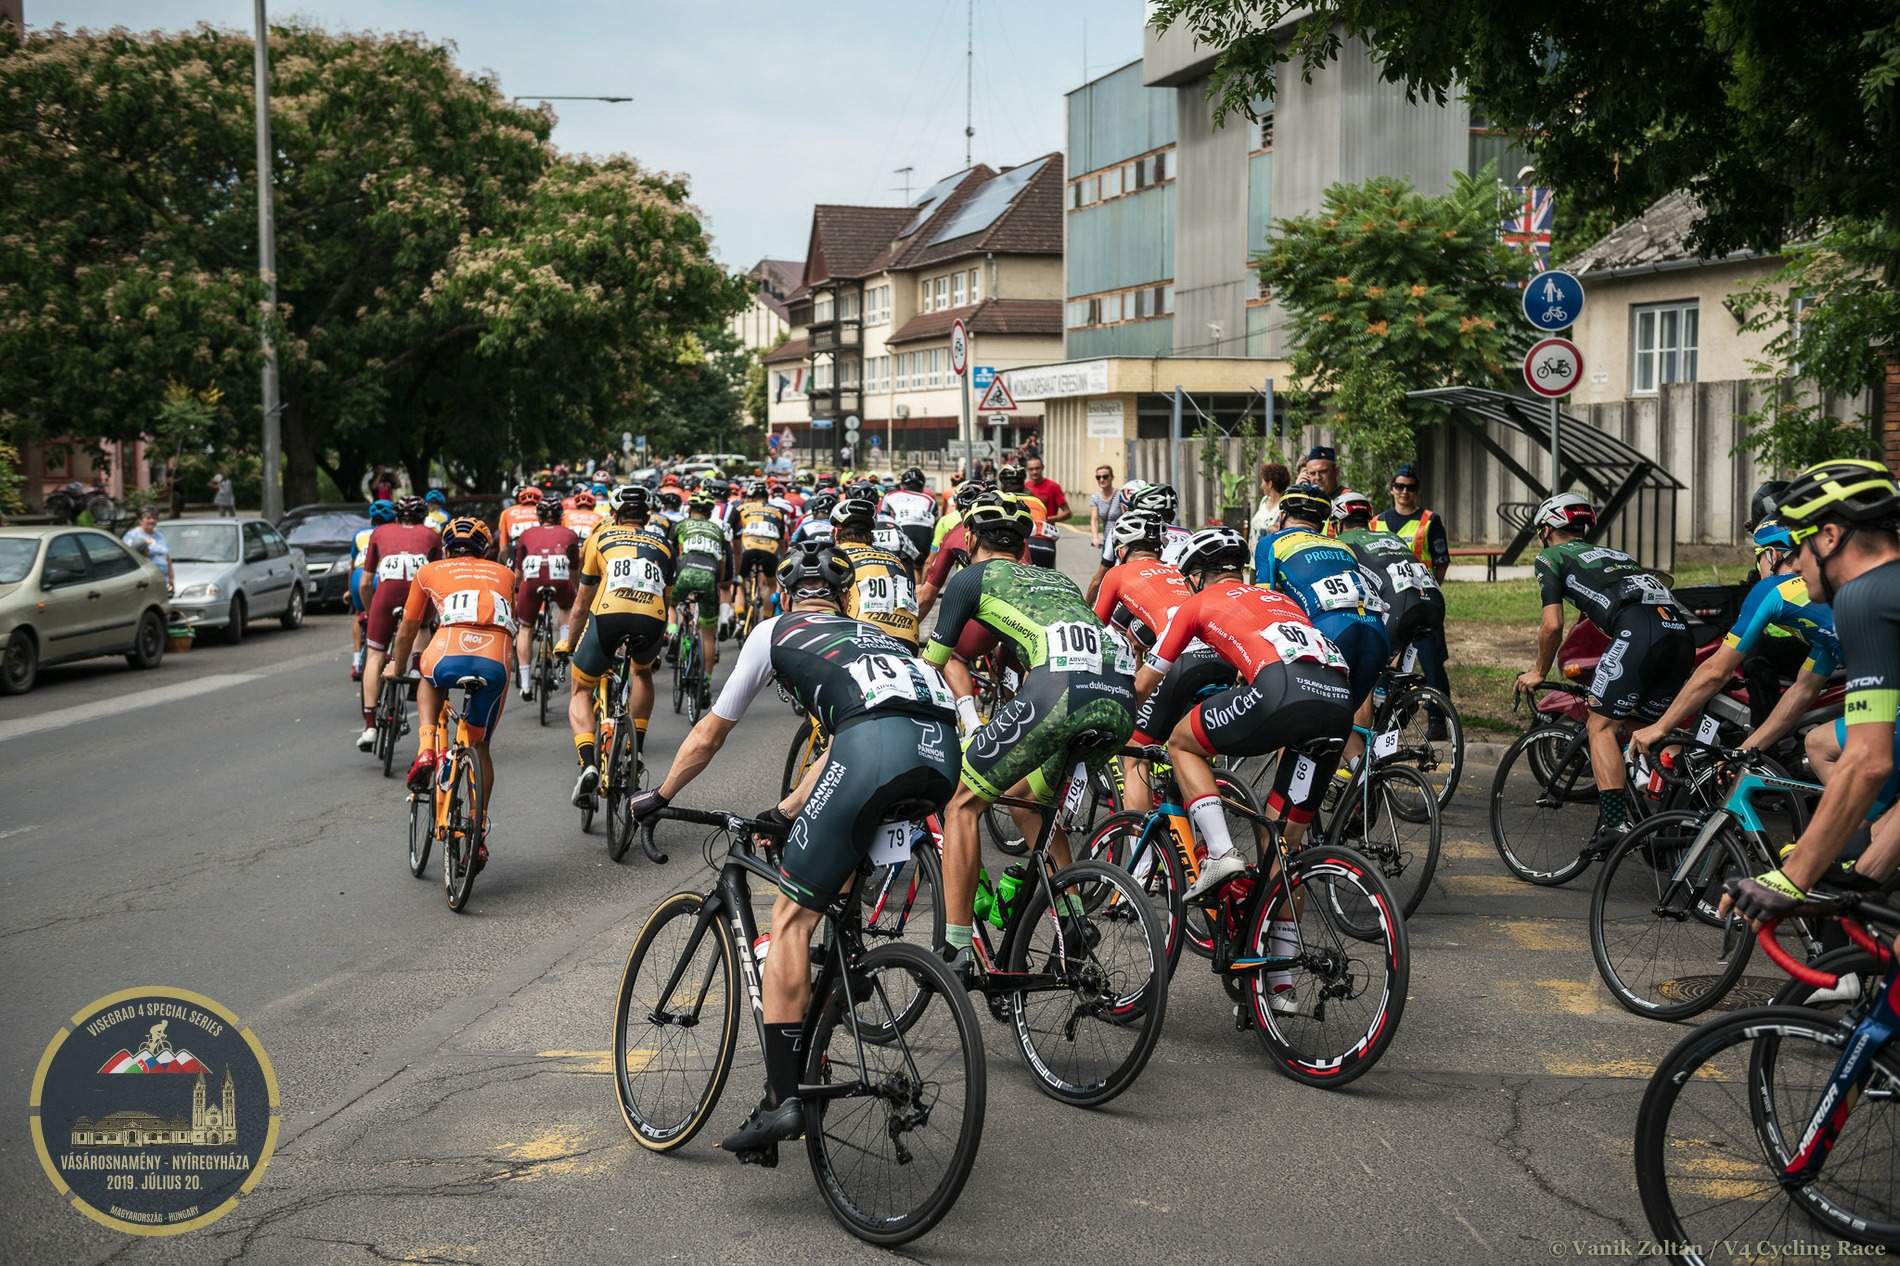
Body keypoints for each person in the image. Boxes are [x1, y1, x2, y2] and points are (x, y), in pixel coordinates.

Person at [627, 542, 957, 1153]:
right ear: (845, 598)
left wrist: (661, 794)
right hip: (939, 758)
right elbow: (843, 743)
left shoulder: (774, 630)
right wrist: (784, 811)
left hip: (872, 752)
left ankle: (782, 1102)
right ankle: (836, 994)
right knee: (833, 900)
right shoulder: (877, 638)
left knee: (789, 920)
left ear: (786, 595)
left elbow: (711, 732)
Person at [1131, 528, 1353, 1014]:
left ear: (1194, 576)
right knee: (1282, 850)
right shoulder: (1276, 599)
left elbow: (1147, 681)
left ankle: (1221, 853)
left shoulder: (1195, 603)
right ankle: (1279, 983)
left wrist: (1117, 717)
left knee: (1182, 742)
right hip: (1338, 702)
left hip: (1282, 692)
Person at [922, 494, 1137, 979]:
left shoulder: (970, 578)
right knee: (1026, 803)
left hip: (1061, 692)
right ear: (1022, 546)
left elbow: (933, 666)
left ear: (969, 539)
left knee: (961, 802)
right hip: (1119, 697)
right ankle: (1073, 920)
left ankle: (955, 948)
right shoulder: (1057, 581)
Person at [1727, 459, 1900, 927]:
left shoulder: (1865, 598)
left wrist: (1792, 878)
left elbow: (1867, 760)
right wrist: (1852, 876)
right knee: (1863, 892)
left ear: (1829, 537)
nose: (1796, 563)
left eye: (1799, 544)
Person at [1514, 492, 1694, 852]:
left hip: (1641, 635)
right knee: (1650, 726)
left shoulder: (1551, 557)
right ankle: (1687, 805)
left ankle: (1615, 824)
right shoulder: (1617, 555)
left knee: (1600, 726)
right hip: (1680, 636)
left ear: (1547, 529)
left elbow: (1552, 625)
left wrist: (1538, 671)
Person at [1630, 518, 1839, 768]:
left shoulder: (1773, 589)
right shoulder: (1824, 615)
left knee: (1819, 746)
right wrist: (1741, 753)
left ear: (1771, 555)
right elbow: (1802, 691)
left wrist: (1660, 727)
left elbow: (1716, 671)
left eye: (1758, 557)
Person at [384, 517, 517, 877]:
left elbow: (409, 627)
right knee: (480, 746)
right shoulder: (505, 574)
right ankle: (478, 829)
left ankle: (427, 747)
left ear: (446, 548)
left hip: (448, 651)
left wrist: (397, 666)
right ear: (485, 550)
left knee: (429, 678)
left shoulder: (429, 570)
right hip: (494, 660)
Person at [1253, 483, 1390, 819]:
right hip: (1376, 635)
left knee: (1300, 719)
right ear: (1324, 523)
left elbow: (1262, 603)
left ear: (1282, 516)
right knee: (1337, 719)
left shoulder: (1271, 543)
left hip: (1333, 632)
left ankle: (1285, 818)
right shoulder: (1342, 547)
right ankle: (1365, 773)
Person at [1094, 512, 1231, 815]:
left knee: (1135, 754)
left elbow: (1094, 633)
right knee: (1188, 745)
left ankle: (1137, 841)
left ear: (1121, 550)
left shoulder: (1118, 574)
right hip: (1224, 659)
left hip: (1182, 661)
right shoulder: (1176, 572)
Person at [557, 485, 676, 806]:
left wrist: (569, 644)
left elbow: (581, 604)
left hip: (609, 615)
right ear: (647, 517)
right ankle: (636, 749)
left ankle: (588, 763)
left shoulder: (601, 537)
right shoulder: (664, 544)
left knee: (581, 687)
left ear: (614, 514)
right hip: (652, 618)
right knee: (642, 673)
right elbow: (667, 599)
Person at [1333, 490, 1448, 717]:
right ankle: (1398, 701)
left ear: (1338, 522)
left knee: (1363, 674)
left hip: (1399, 607)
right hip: (1434, 601)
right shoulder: (1391, 537)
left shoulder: (1340, 543)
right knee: (1392, 664)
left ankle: (1364, 736)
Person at [357, 496, 443, 751]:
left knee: (375, 655)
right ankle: (416, 666)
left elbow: (365, 583)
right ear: (423, 517)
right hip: (417, 592)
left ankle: (370, 726)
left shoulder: (379, 532)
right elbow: (436, 578)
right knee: (423, 625)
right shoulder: (432, 535)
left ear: (396, 516)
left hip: (386, 595)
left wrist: (371, 612)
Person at [510, 496, 581, 699]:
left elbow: (518, 572)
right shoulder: (570, 534)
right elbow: (574, 571)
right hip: (560, 580)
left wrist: (516, 591)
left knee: (525, 628)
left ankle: (525, 684)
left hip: (532, 581)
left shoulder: (526, 534)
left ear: (539, 517)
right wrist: (574, 589)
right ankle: (564, 646)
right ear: (560, 516)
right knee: (566, 607)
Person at [832, 494, 919, 646]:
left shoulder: (836, 556)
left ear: (836, 533)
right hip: (908, 641)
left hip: (863, 639)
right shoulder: (893, 558)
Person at [670, 489, 734, 678]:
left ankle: (673, 632)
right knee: (708, 634)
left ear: (690, 510)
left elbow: (670, 555)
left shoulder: (680, 526)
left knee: (670, 605)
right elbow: (724, 565)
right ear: (709, 513)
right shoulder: (718, 530)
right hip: (709, 576)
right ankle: (706, 681)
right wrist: (719, 581)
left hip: (685, 573)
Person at [348, 500, 395, 681]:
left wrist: (349, 589)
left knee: (359, 614)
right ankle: (388, 652)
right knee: (391, 614)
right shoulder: (394, 532)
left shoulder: (359, 534)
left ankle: (356, 662)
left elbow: (352, 565)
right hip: (381, 575)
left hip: (358, 577)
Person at [1378, 464, 1449, 582]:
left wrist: (1433, 588)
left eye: (1411, 487)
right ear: (1392, 489)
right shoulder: (1376, 522)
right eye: (1399, 486)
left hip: (1420, 588)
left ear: (1417, 491)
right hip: (1386, 589)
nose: (1405, 491)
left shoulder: (1430, 521)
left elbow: (1442, 562)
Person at [732, 480, 789, 623]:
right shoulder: (778, 512)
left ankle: (740, 616)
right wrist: (782, 560)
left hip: (748, 548)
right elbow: (781, 541)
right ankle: (767, 617)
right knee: (771, 584)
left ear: (750, 497)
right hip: (769, 549)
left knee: (739, 581)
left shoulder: (741, 508)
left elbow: (735, 534)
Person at [879, 467, 938, 563]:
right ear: (922, 486)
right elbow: (934, 521)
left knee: (900, 563)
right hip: (924, 532)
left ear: (903, 485)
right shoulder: (930, 499)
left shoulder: (890, 495)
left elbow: (883, 519)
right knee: (920, 564)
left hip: (902, 528)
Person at [122, 509, 173, 591]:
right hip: (144, 582)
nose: (152, 520)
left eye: (154, 518)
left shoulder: (160, 535)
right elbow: (128, 559)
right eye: (148, 518)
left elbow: (167, 558)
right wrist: (146, 543)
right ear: (140, 521)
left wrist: (171, 578)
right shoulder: (132, 536)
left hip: (163, 580)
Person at [1250, 462, 1290, 543]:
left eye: (1263, 481)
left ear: (1270, 484)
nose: (1261, 486)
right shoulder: (1264, 501)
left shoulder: (1284, 507)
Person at [498, 486, 541, 556]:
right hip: (538, 550)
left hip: (515, 551)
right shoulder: (542, 510)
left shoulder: (507, 512)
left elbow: (503, 545)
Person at [1023, 456, 1068, 521]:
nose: (1034, 472)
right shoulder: (1024, 487)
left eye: (1037, 468)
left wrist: (1047, 520)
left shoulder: (1053, 487)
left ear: (1042, 468)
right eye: (1031, 469)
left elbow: (1067, 513)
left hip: (1047, 527)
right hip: (1028, 527)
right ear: (1027, 470)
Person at [1088, 464, 1119, 554]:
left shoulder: (1120, 495)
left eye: (1105, 477)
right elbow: (1094, 519)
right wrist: (1095, 537)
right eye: (1098, 477)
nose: (1101, 480)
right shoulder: (1096, 497)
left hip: (1120, 541)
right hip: (1107, 541)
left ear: (1112, 478)